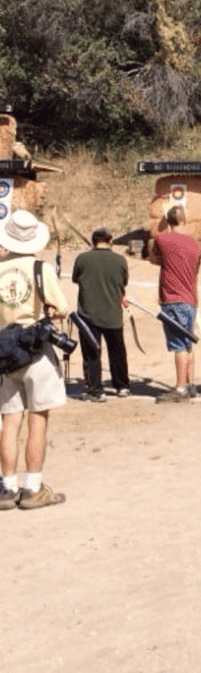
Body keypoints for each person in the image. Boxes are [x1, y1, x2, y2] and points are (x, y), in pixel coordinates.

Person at [0, 210, 68, 510]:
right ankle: (32, 487)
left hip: (5, 350)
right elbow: (62, 307)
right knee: (38, 420)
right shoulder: (41, 268)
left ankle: (7, 487)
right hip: (36, 349)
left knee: (10, 420)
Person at [148, 206, 201, 403]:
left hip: (173, 299)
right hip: (190, 299)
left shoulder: (162, 239)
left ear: (168, 221)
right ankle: (190, 384)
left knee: (179, 345)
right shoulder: (195, 244)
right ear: (184, 220)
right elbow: (196, 269)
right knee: (187, 344)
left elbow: (154, 258)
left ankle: (180, 388)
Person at [71, 225, 130, 401]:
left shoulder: (82, 258)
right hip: (113, 314)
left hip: (88, 315)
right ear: (110, 241)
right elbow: (123, 282)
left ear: (93, 241)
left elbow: (76, 278)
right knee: (117, 353)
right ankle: (122, 386)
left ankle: (96, 389)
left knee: (91, 354)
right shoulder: (120, 260)